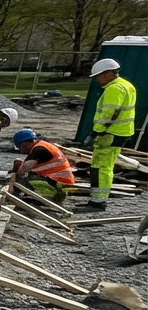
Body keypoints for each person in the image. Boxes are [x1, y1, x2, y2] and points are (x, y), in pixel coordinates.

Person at [85, 57, 137, 209]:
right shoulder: (127, 85)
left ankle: (98, 201)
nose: (97, 80)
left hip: (110, 133)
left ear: (108, 73)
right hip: (120, 132)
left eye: (98, 76)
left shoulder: (114, 89)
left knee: (101, 167)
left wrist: (96, 132)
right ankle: (98, 199)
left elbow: (109, 113)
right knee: (105, 166)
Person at [11, 129, 76, 204]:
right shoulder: (42, 145)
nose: (22, 151)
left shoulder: (39, 150)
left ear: (24, 144)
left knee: (24, 179)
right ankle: (37, 195)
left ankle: (43, 197)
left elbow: (24, 169)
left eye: (21, 148)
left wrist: (16, 177)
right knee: (28, 176)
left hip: (57, 182)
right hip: (60, 180)